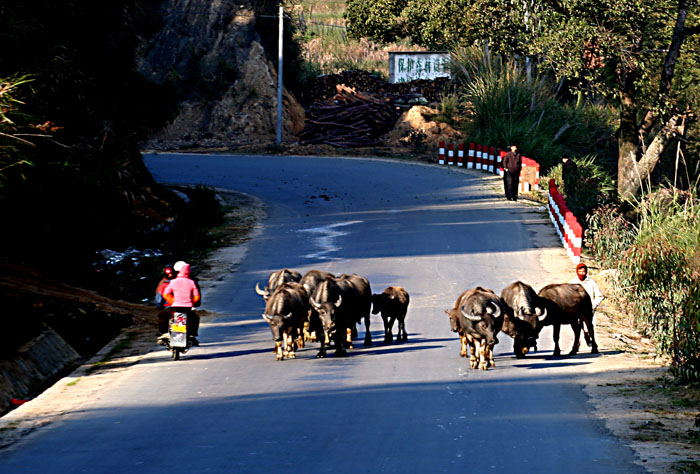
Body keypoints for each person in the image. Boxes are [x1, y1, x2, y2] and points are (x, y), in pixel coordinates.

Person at [159, 261, 201, 346]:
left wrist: (173, 301)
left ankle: (164, 333)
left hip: (175, 307)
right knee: (195, 318)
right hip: (187, 308)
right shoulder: (191, 282)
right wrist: (191, 302)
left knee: (162, 315)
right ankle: (192, 335)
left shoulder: (173, 282)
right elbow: (197, 296)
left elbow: (165, 294)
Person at [569, 262, 604, 346]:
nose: (582, 273)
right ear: (577, 272)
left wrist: (593, 306)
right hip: (575, 310)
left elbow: (599, 296)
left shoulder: (591, 282)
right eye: (580, 272)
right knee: (576, 327)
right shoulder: (572, 283)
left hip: (588, 310)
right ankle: (577, 343)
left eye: (583, 272)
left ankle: (588, 338)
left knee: (587, 328)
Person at [155, 264, 176, 340]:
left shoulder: (163, 285)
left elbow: (158, 300)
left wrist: (159, 306)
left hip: (169, 307)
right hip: (183, 306)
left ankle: (163, 332)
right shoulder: (183, 282)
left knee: (162, 317)